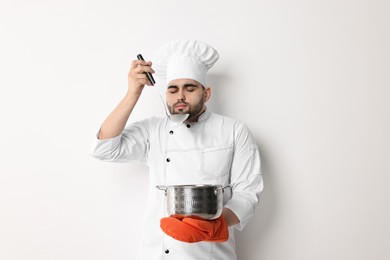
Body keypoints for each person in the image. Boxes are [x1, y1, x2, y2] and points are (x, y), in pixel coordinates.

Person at [90, 40, 263, 260]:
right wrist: (133, 92)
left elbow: (248, 193)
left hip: (210, 253)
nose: (180, 96)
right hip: (158, 252)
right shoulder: (154, 130)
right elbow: (104, 149)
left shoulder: (233, 130)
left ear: (206, 93)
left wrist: (215, 226)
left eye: (190, 88)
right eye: (173, 89)